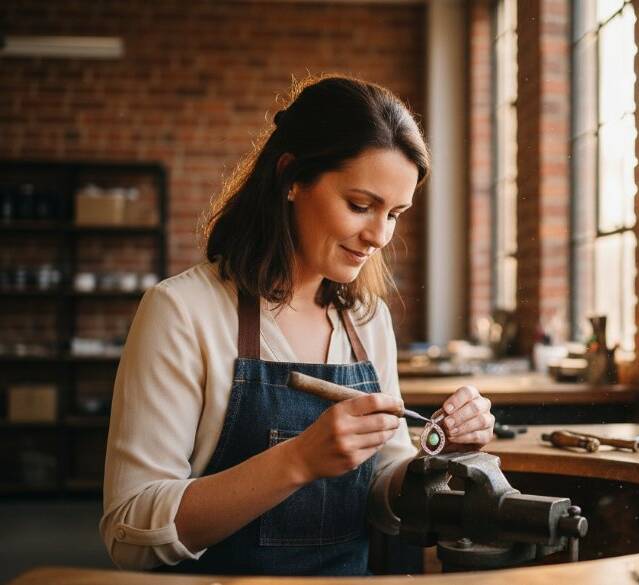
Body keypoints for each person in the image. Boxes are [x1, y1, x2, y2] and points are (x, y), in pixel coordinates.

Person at [100, 75, 495, 576]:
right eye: (360, 205)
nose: (378, 235)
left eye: (394, 213)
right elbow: (129, 532)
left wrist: (437, 463)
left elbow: (382, 486)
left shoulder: (366, 320)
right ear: (292, 177)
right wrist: (297, 462)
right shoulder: (182, 312)